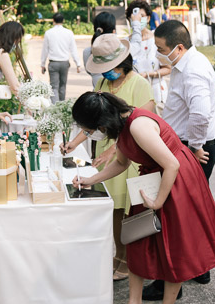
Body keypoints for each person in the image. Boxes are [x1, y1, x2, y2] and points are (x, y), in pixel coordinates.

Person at [71, 92, 215, 304]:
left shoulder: (139, 126)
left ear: (102, 123)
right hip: (152, 182)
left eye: (90, 130)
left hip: (173, 182)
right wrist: (91, 179)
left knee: (173, 249)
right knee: (137, 241)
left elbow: (172, 165)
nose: (91, 134)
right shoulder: (121, 126)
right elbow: (121, 163)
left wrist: (159, 202)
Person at [64, 34, 154, 281]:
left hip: (131, 157)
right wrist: (73, 143)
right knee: (114, 209)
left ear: (123, 62)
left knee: (130, 210)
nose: (107, 74)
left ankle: (129, 260)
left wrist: (112, 150)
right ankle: (119, 255)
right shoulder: (103, 85)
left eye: (110, 68)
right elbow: (93, 120)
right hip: (109, 157)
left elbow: (143, 126)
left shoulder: (140, 85)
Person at [146, 19, 215, 296]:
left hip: (191, 147)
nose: (157, 54)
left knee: (174, 214)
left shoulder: (193, 71)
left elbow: (200, 113)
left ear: (178, 47)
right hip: (189, 144)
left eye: (160, 48)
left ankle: (169, 281)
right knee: (193, 210)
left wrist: (193, 146)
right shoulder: (186, 63)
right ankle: (199, 268)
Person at [127, 0, 170, 108]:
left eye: (141, 16)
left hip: (155, 91)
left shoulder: (157, 40)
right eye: (135, 16)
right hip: (134, 93)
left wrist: (149, 74)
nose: (138, 19)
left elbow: (168, 68)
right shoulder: (126, 44)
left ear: (148, 18)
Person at [41, 13, 81, 102]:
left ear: (53, 20)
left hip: (53, 63)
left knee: (54, 87)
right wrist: (78, 63)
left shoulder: (48, 33)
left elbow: (45, 50)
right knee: (63, 86)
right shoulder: (69, 33)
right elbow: (73, 49)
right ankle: (62, 105)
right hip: (64, 63)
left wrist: (42, 64)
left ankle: (55, 107)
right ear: (63, 21)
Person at [83, 12, 119, 89]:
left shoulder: (87, 52)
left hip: (97, 94)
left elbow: (89, 70)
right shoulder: (120, 51)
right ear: (114, 31)